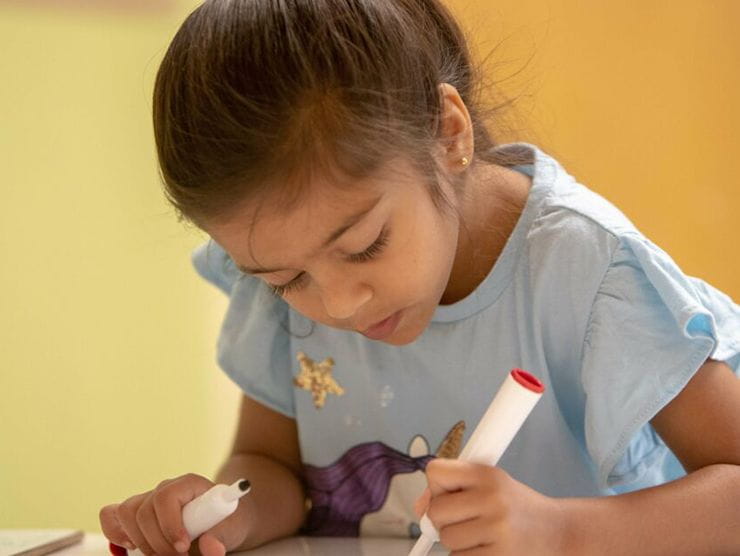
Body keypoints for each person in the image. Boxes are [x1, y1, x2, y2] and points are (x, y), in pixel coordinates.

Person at [99, 0, 740, 554]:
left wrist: (559, 533)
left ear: (447, 132)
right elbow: (270, 469)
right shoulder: (295, 281)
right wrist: (219, 514)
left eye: (364, 244)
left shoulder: (589, 275)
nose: (340, 304)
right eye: (287, 280)